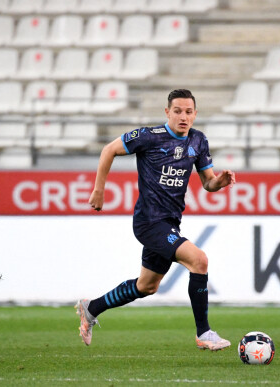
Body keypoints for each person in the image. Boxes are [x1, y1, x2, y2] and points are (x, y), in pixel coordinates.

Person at [77, 89, 236, 351]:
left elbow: (208, 182)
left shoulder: (198, 141)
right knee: (199, 261)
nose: (183, 117)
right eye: (177, 111)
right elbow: (109, 150)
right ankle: (204, 332)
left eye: (188, 112)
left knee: (146, 286)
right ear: (167, 112)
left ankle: (91, 308)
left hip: (170, 223)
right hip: (149, 223)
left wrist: (220, 181)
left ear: (195, 114)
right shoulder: (149, 137)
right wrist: (99, 189)